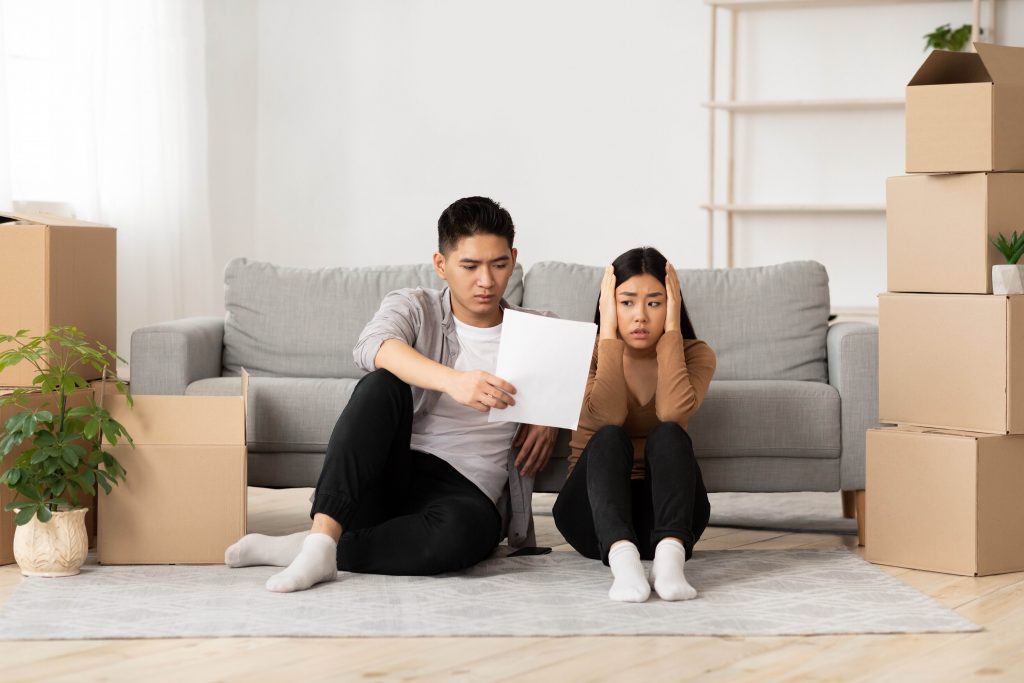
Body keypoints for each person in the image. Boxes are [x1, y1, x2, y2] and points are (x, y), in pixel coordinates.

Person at [225, 196, 558, 592]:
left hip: (469, 490)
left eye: (499, 264)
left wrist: (550, 415)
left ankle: (314, 548)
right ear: (442, 264)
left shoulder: (541, 331)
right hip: (394, 470)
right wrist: (453, 380)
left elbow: (593, 371)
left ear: (513, 259)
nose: (486, 280)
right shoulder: (415, 306)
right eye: (469, 266)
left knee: (459, 540)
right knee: (381, 383)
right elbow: (372, 346)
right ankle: (321, 539)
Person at [552, 247, 716, 602]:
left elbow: (673, 412)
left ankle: (670, 562)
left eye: (655, 303)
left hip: (668, 519)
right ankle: (623, 564)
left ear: (672, 304)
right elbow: (607, 416)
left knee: (670, 433)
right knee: (610, 436)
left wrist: (671, 333)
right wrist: (607, 334)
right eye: (627, 302)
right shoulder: (586, 351)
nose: (640, 316)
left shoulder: (696, 354)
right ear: (609, 304)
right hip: (593, 515)